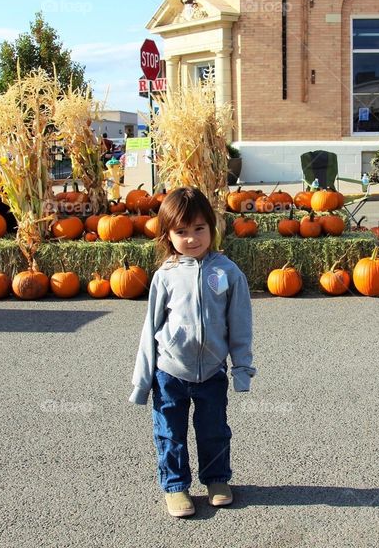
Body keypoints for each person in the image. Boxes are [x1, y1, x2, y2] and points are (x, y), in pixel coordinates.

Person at [128, 187, 255, 518]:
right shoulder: (165, 276)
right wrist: (142, 382)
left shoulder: (227, 272)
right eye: (181, 231)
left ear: (211, 228)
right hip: (169, 372)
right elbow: (150, 329)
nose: (192, 238)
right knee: (170, 433)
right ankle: (175, 487)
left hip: (212, 371)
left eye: (199, 228)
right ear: (168, 236)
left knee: (214, 430)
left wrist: (241, 369)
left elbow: (240, 324)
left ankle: (216, 480)